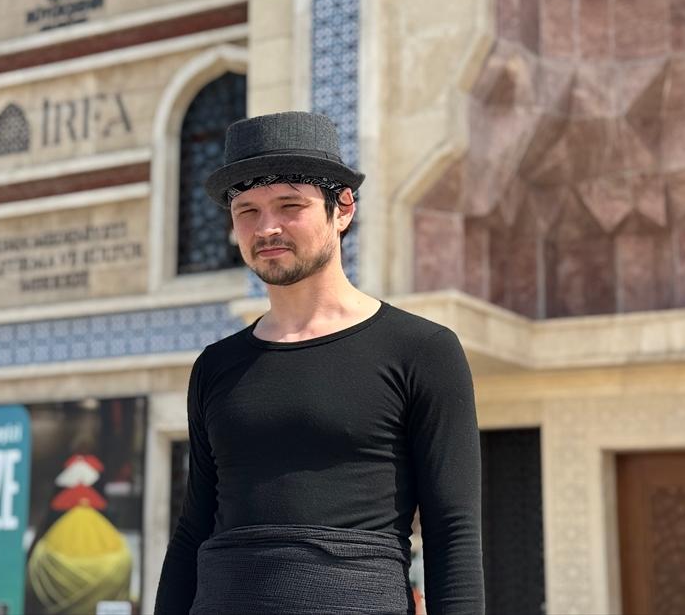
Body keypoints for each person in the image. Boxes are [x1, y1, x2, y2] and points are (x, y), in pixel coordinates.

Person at [154, 111, 484, 614]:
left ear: (343, 208)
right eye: (247, 210)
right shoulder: (216, 366)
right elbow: (193, 529)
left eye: (290, 205)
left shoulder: (422, 350)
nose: (267, 228)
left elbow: (453, 530)